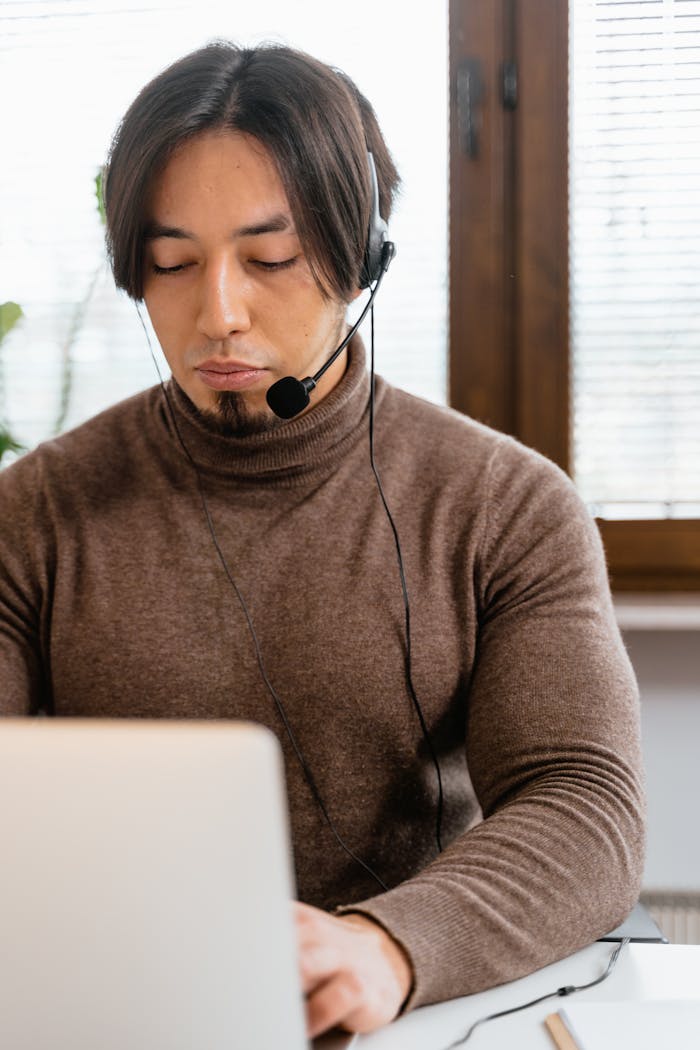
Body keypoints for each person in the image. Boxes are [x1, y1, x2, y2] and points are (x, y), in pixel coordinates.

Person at [0, 41, 644, 1039]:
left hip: (404, 1010)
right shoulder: (35, 512)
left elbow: (584, 801)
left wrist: (387, 945)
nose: (218, 312)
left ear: (360, 259)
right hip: (107, 1006)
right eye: (173, 263)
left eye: (270, 258)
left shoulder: (504, 505)